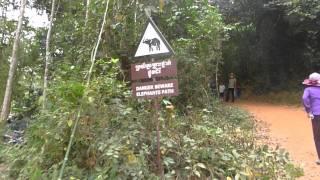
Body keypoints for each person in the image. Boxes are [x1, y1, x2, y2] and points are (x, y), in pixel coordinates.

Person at [302, 72, 320, 165]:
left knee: (317, 137)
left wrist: (308, 110)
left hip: (316, 115)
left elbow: (304, 98)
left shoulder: (308, 89)